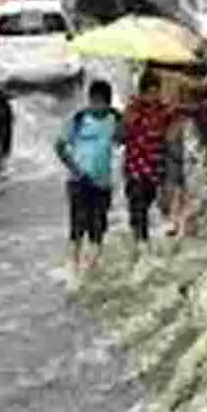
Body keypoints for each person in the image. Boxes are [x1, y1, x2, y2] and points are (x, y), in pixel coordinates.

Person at [56, 80, 123, 272]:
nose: (99, 107)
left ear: (109, 102)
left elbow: (121, 140)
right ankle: (73, 265)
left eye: (103, 103)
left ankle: (91, 266)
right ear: (90, 100)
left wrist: (124, 121)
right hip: (78, 181)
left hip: (102, 183)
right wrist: (75, 169)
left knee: (98, 227)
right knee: (77, 225)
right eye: (96, 102)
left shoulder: (114, 119)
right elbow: (59, 146)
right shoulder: (78, 119)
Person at [122, 70, 179, 255]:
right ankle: (141, 248)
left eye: (157, 93)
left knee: (145, 206)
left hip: (155, 170)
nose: (154, 97)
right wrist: (127, 120)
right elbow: (120, 137)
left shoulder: (164, 110)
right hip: (135, 170)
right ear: (143, 91)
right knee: (138, 211)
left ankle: (140, 243)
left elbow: (172, 132)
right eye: (151, 93)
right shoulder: (133, 109)